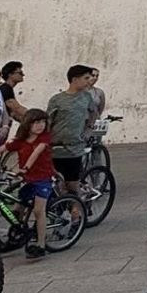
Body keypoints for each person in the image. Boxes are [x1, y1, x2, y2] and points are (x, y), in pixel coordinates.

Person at [0, 107, 56, 259]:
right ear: (27, 125)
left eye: (43, 122)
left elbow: (36, 153)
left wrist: (25, 168)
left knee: (38, 211)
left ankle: (41, 245)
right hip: (28, 180)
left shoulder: (44, 138)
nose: (40, 125)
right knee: (17, 208)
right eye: (36, 122)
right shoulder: (20, 141)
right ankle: (16, 236)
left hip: (43, 179)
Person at [46, 66, 100, 201]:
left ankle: (76, 210)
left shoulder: (87, 97)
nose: (89, 81)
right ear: (75, 79)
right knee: (57, 183)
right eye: (86, 78)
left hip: (74, 148)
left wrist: (89, 129)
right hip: (56, 147)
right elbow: (48, 121)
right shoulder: (57, 99)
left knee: (72, 184)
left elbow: (94, 112)